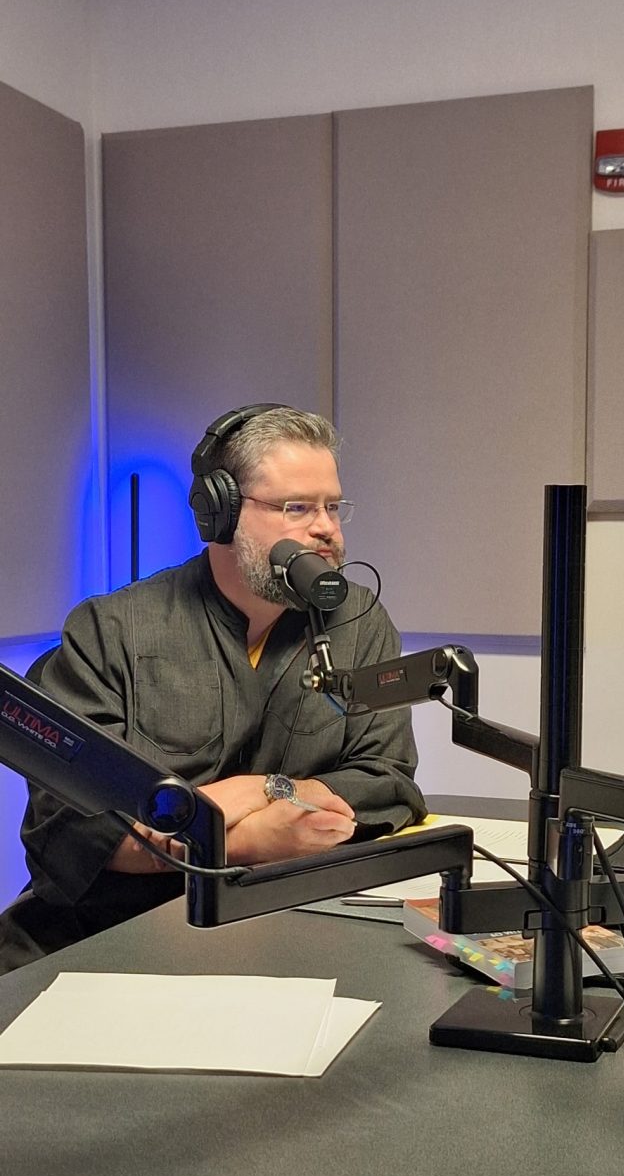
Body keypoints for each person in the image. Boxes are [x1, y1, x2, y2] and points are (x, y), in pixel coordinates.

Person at [0, 404, 426, 972]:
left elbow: (386, 780)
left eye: (331, 506)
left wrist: (264, 789)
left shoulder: (358, 622)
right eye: (295, 507)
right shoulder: (112, 629)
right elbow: (73, 831)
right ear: (219, 514)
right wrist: (240, 844)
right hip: (100, 942)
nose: (324, 527)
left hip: (282, 932)